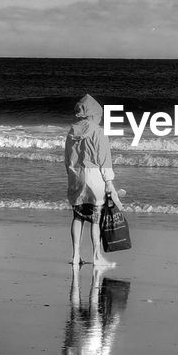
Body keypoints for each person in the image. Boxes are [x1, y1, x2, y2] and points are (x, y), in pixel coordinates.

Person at [64, 94, 120, 267]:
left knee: (78, 216)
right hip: (94, 178)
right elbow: (104, 159)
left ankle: (75, 256)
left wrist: (71, 174)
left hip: (76, 175)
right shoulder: (97, 131)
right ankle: (97, 257)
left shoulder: (72, 131)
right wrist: (109, 181)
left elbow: (67, 157)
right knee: (96, 220)